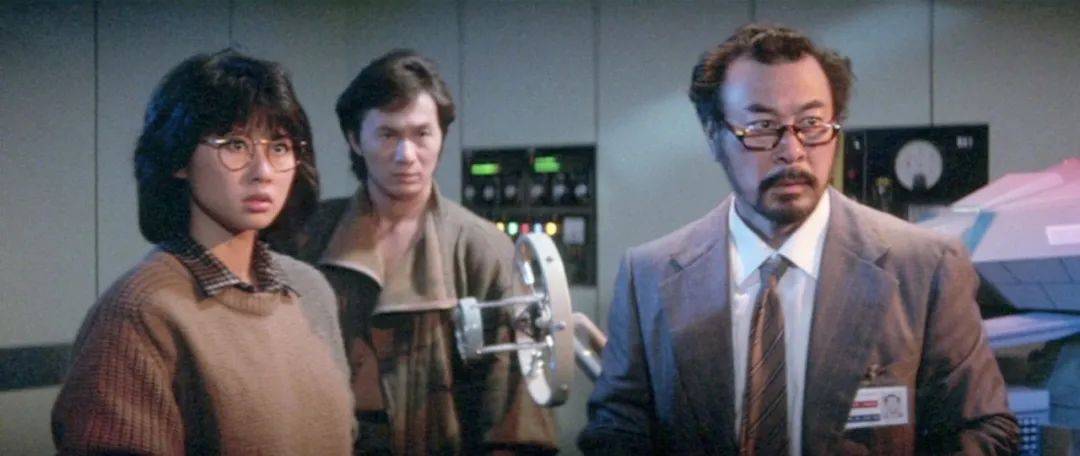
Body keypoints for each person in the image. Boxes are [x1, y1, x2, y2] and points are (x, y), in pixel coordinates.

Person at [579, 24, 1018, 455]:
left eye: (811, 123)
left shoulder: (925, 267)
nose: (792, 151)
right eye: (762, 126)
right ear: (714, 137)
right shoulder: (648, 276)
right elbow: (616, 430)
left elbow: (983, 428)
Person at [51, 50, 354, 454]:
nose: (263, 171)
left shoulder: (309, 289)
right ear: (179, 159)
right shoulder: (139, 312)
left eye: (280, 147)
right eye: (235, 144)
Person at [292, 49, 557, 454]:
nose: (406, 156)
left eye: (422, 134)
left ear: (441, 138)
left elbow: (514, 408)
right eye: (387, 135)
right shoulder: (308, 237)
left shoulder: (480, 246)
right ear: (355, 140)